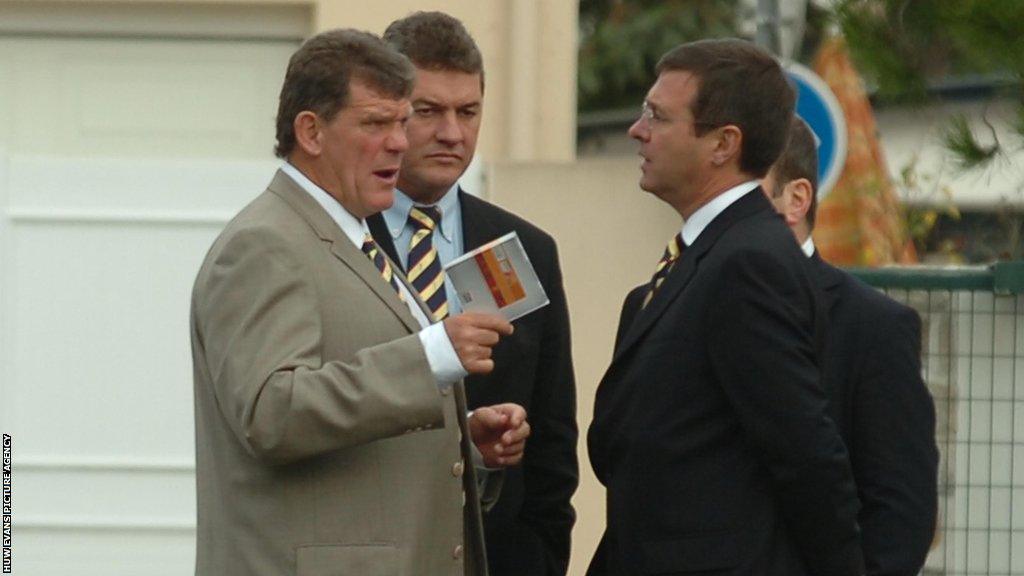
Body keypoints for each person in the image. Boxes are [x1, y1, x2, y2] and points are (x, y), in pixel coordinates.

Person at [190, 29, 530, 576]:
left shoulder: (353, 235)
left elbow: (357, 419)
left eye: (401, 121)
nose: (399, 141)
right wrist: (431, 358)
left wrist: (463, 437)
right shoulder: (266, 243)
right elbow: (269, 413)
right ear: (312, 132)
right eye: (375, 123)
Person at [587, 39, 864, 576]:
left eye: (657, 116)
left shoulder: (748, 264)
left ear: (722, 144)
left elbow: (806, 455)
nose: (636, 130)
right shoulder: (711, 254)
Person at [366, 12, 579, 576]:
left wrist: (541, 559)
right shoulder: (343, 238)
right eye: (429, 111)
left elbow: (554, 435)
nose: (452, 133)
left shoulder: (528, 248)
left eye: (468, 111)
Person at [763, 117, 938, 576]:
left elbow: (901, 509)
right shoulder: (656, 298)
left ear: (797, 200)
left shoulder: (873, 326)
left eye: (742, 193)